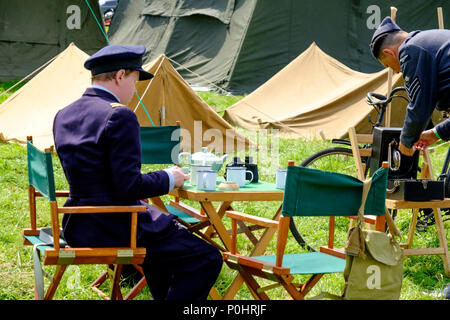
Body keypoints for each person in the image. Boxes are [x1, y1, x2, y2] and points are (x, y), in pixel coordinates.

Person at [52, 44, 223, 300]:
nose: (135, 89)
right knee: (206, 257)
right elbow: (128, 187)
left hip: (77, 224)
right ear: (121, 75)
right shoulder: (119, 116)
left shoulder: (63, 114)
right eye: (134, 80)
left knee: (161, 252)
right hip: (115, 223)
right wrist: (169, 178)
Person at [369, 17, 450, 155]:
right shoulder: (433, 41)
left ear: (388, 52)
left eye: (388, 65)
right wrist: (435, 133)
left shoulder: (410, 50)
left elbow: (419, 105)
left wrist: (406, 142)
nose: (396, 71)